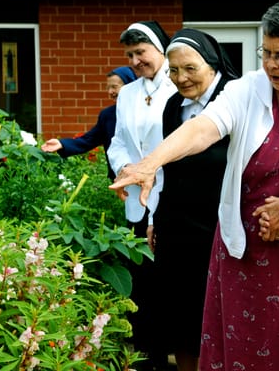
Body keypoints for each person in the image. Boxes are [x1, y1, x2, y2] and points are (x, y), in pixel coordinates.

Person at [110, 0, 279, 370]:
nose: (270, 65)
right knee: (244, 349)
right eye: (267, 52)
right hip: (243, 250)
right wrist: (151, 163)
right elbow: (202, 127)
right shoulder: (248, 88)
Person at [151, 28, 240, 371]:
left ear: (213, 64)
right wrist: (156, 220)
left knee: (219, 311)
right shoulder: (174, 106)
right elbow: (168, 169)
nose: (181, 78)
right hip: (177, 226)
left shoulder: (234, 99)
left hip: (219, 224)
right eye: (173, 70)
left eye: (190, 68)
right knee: (181, 314)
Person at [106, 20, 177, 370]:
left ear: (160, 50)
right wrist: (123, 168)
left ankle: (169, 354)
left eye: (141, 52)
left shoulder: (177, 88)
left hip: (171, 197)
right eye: (130, 55)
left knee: (166, 283)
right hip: (136, 200)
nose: (135, 60)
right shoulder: (129, 94)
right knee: (141, 286)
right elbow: (118, 141)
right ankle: (147, 357)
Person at [40, 66, 137, 180]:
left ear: (130, 86)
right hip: (120, 179)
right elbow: (89, 140)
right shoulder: (107, 115)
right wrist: (62, 144)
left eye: (114, 87)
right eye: (108, 87)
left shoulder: (148, 112)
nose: (110, 92)